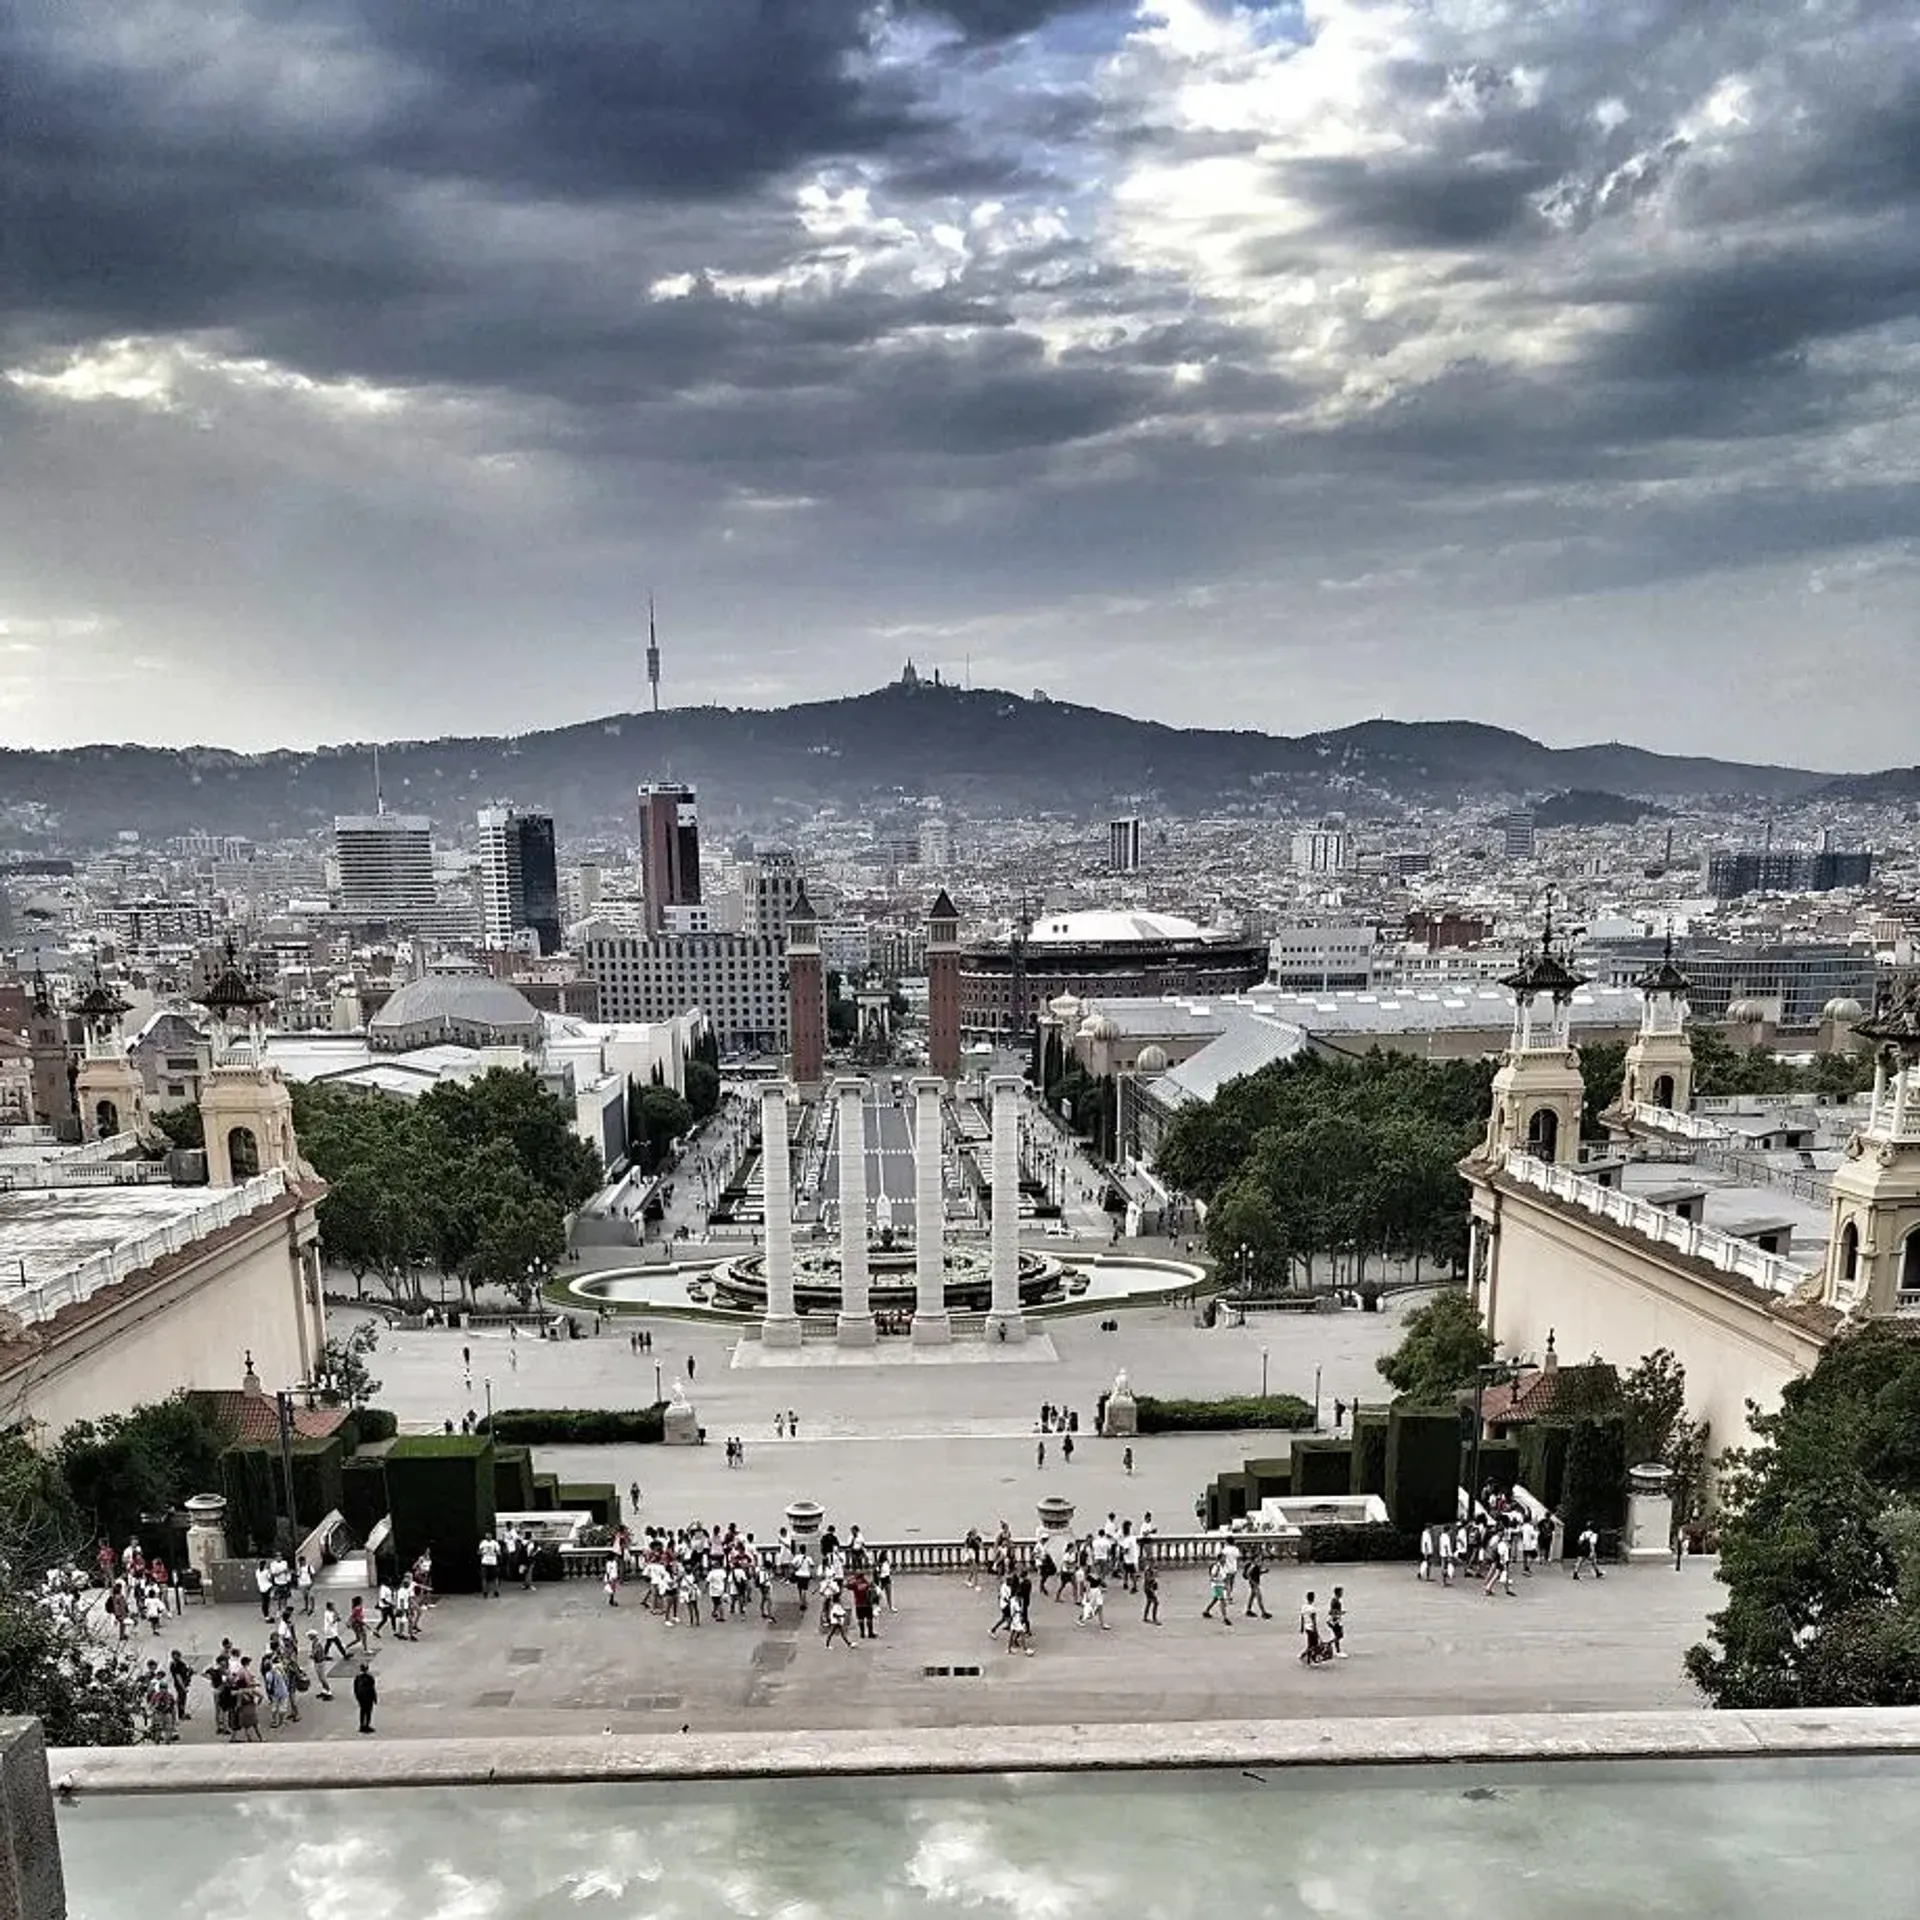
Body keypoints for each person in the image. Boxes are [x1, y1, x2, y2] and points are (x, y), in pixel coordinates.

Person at [353, 1660, 378, 1735]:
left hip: (361, 1698)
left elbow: (355, 1689)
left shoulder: (357, 1678)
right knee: (368, 1712)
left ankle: (362, 1725)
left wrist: (357, 1698)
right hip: (368, 1697)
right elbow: (372, 1688)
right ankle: (367, 1725)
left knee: (362, 1711)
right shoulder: (370, 1677)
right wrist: (375, 1698)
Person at [1328, 1586, 1348, 1658]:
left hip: (1336, 1619)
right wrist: (1340, 1613)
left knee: (1338, 1635)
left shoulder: (1335, 1600)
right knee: (1339, 1635)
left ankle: (1336, 1649)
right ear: (1338, 1592)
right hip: (1335, 1620)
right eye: (1341, 1592)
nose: (1342, 1593)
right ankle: (1336, 1650)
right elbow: (1332, 1611)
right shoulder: (1335, 1601)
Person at [1141, 1561, 1161, 1625]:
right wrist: (1154, 1579)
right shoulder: (1148, 1571)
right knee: (1156, 1603)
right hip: (1148, 1589)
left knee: (1149, 1602)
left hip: (1148, 1588)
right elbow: (1148, 1580)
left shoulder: (1150, 1571)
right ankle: (1154, 1619)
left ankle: (1145, 1617)